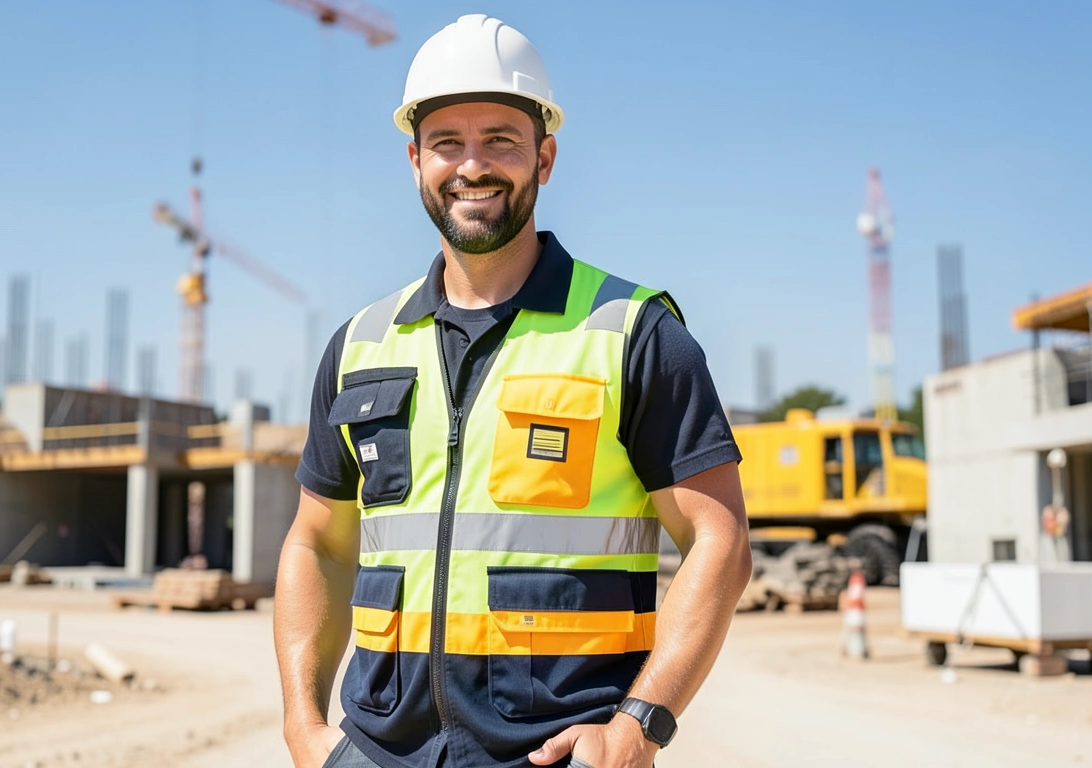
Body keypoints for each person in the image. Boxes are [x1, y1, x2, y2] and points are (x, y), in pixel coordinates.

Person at [275, 14, 751, 768]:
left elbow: (718, 539)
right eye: (447, 143)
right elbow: (317, 541)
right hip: (374, 752)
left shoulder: (633, 334)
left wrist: (640, 725)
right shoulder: (360, 345)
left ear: (545, 157)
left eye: (500, 139)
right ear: (414, 160)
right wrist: (303, 725)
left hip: (556, 754)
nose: (472, 166)